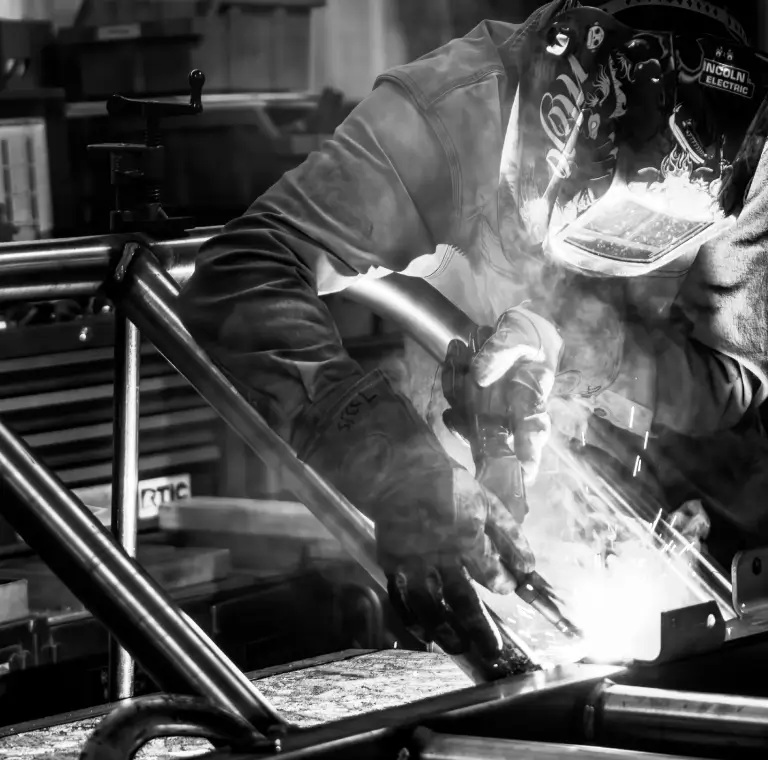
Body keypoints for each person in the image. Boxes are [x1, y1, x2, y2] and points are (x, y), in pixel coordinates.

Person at [178, 0, 768, 662]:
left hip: (660, 490)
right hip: (447, 393)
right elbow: (244, 268)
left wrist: (572, 345)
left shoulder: (748, 158)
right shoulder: (448, 116)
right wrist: (398, 469)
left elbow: (732, 375)